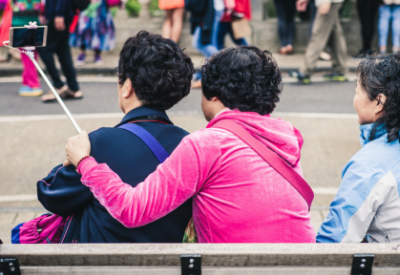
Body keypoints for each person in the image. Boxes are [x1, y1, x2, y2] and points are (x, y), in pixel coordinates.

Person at [64, 46, 316, 243]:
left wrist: (85, 163)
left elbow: (132, 210)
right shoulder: (285, 139)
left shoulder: (208, 144)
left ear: (214, 96)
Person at [37, 31, 194, 243]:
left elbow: (50, 194)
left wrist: (73, 159)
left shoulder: (99, 144)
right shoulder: (192, 146)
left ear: (127, 86)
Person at [317, 53, 400, 243]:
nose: (354, 99)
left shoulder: (369, 166)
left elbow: (334, 244)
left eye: (357, 92)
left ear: (379, 102)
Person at [290, 0, 348, 84]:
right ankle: (340, 69)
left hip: (328, 2)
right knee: (335, 34)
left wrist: (325, 1)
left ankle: (306, 70)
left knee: (318, 35)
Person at [37, 0, 82, 102]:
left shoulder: (59, 14)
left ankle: (58, 85)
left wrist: (59, 14)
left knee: (44, 48)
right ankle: (73, 87)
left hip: (59, 14)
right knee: (62, 49)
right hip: (60, 13)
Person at [12, 0, 43, 96]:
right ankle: (26, 83)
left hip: (23, 27)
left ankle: (33, 85)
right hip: (29, 26)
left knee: (29, 58)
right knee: (30, 57)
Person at [70, 0, 116, 66]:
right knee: (84, 30)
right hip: (86, 6)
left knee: (100, 30)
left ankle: (97, 54)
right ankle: (82, 52)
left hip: (101, 7)